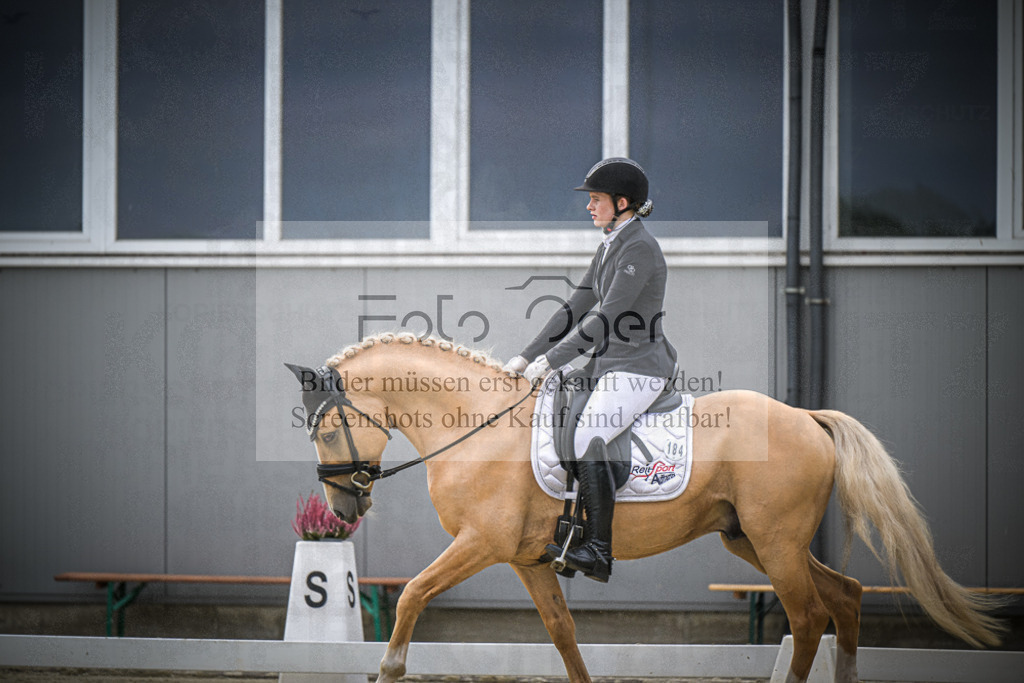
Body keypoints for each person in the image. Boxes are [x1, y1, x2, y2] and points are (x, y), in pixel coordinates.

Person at [503, 157, 678, 582]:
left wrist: (553, 360)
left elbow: (609, 317)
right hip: (608, 366)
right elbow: (575, 308)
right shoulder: (610, 244)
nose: (589, 206)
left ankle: (599, 550)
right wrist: (526, 357)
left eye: (596, 199)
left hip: (639, 367)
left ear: (622, 202)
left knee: (588, 434)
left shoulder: (639, 247)